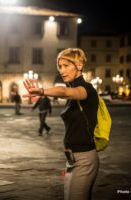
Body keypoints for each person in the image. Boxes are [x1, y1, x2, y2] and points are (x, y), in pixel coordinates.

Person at [23, 48, 99, 200]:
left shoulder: (86, 90)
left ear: (79, 65)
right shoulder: (73, 93)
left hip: (84, 159)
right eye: (60, 66)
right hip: (72, 159)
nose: (62, 70)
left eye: (66, 65)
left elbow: (64, 92)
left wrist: (42, 91)